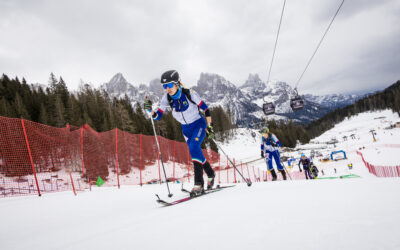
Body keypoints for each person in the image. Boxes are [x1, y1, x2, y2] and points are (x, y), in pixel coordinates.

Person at [144, 70, 215, 195]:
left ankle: (198, 184)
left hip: (198, 124)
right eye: (164, 86)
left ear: (177, 84)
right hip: (186, 129)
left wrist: (210, 126)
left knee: (193, 147)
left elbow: (206, 109)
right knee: (196, 151)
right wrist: (151, 112)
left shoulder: (189, 93)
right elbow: (158, 116)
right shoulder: (166, 98)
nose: (167, 89)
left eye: (170, 85)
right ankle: (210, 174)